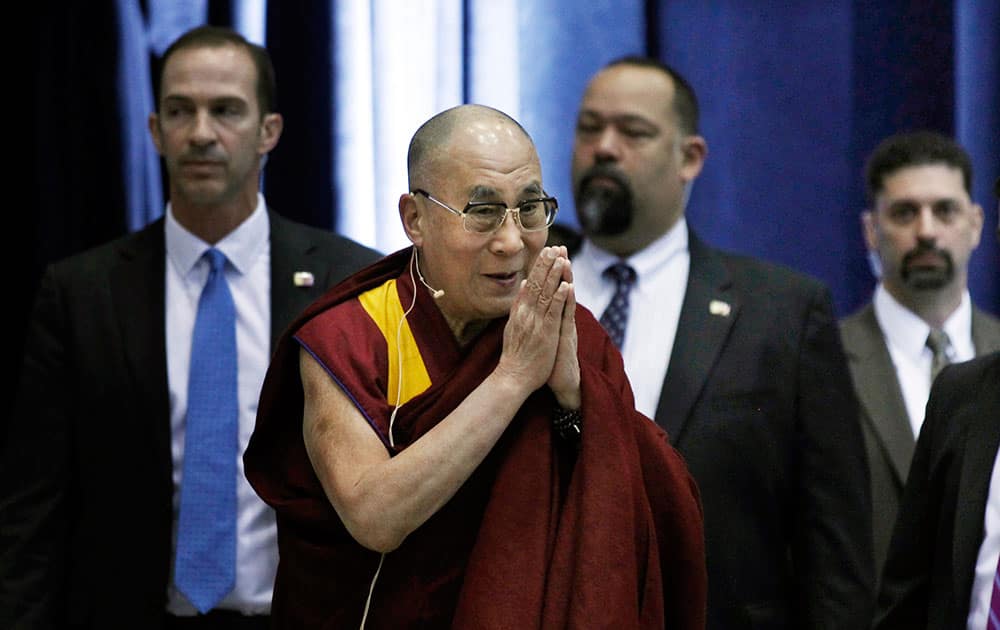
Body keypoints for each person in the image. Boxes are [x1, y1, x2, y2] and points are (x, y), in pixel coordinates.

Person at [242, 103, 706, 628]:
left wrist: (576, 399)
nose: (512, 241)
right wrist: (513, 379)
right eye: (483, 212)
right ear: (415, 219)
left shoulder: (566, 331)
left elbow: (640, 508)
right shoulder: (349, 337)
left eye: (530, 209)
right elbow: (374, 515)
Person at [0, 25, 380, 629]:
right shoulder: (81, 294)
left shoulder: (349, 280)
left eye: (226, 110)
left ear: (268, 132)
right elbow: (33, 514)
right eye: (181, 111)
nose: (201, 133)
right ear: (155, 130)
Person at [568, 55, 874, 629]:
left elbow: (835, 555)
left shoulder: (782, 313)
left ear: (690, 157)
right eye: (590, 128)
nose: (604, 147)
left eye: (633, 131)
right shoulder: (516, 299)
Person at [840, 131, 1000, 577]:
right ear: (872, 230)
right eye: (905, 213)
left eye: (944, 211)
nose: (926, 231)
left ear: (976, 225)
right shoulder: (822, 359)